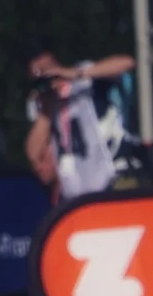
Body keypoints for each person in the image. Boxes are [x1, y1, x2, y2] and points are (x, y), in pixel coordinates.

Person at [24, 44, 135, 202]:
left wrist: (77, 74)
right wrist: (46, 112)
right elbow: (34, 153)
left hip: (111, 176)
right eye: (39, 73)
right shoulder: (40, 103)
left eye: (48, 68)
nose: (47, 75)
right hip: (76, 193)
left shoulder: (83, 78)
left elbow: (127, 63)